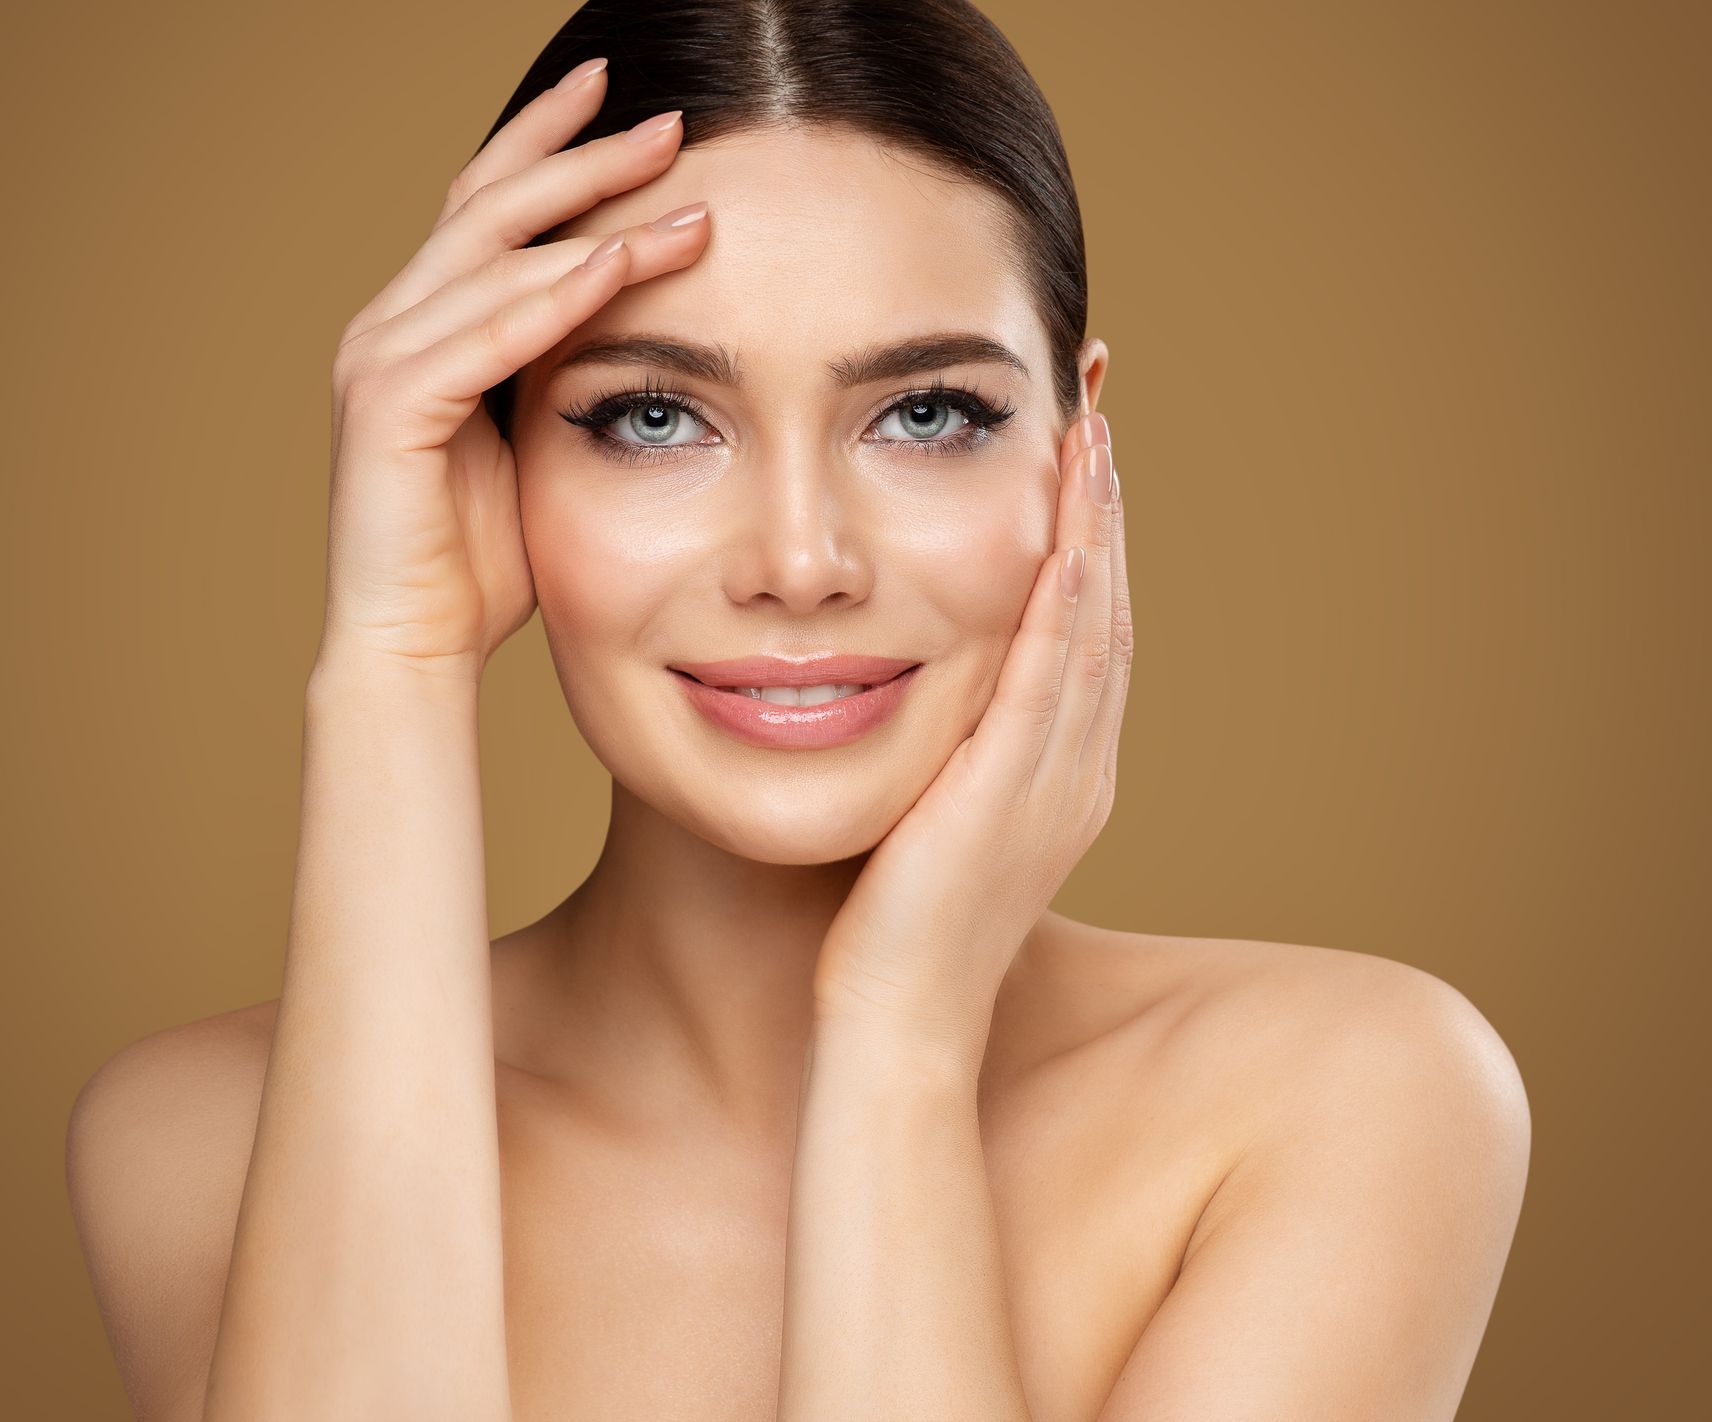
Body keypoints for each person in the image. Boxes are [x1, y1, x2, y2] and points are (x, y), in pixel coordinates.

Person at [65, 2, 1531, 1417]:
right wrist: (398, 659)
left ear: (1078, 449)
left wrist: (899, 1039)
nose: (801, 563)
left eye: (927, 412)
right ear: (495, 452)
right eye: (652, 415)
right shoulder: (192, 1139)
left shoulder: (1351, 1096)